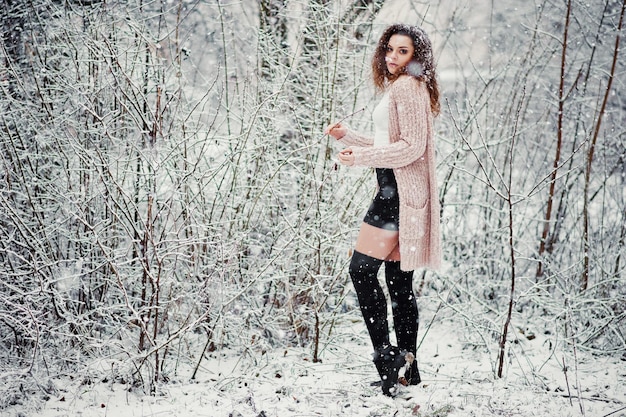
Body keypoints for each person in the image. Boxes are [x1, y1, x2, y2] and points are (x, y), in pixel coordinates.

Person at [325, 24, 441, 397]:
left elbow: (410, 148)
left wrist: (358, 156)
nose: (392, 56)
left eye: (402, 52)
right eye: (390, 49)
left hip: (396, 196)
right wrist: (349, 138)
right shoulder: (406, 86)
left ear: (417, 57)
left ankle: (385, 356)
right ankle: (408, 368)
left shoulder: (408, 88)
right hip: (398, 191)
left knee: (360, 270)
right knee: (398, 283)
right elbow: (386, 144)